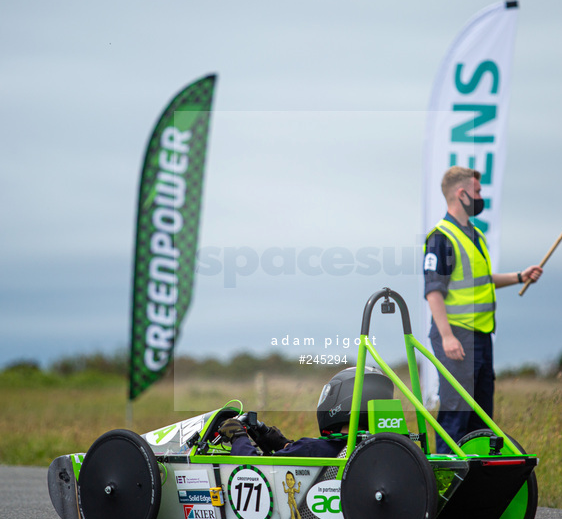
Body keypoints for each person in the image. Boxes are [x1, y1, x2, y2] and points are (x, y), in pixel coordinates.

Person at [424, 166, 542, 453]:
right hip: (457, 337)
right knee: (456, 412)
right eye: (477, 192)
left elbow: (482, 281)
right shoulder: (442, 237)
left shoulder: (476, 235)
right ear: (461, 194)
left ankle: (475, 486)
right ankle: (444, 485)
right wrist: (447, 336)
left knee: (481, 418)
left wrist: (519, 276)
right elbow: (433, 291)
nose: (480, 197)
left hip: (481, 336)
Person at [219, 367, 394, 457]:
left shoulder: (313, 448)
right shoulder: (389, 449)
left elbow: (253, 473)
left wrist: (238, 436)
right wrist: (283, 444)